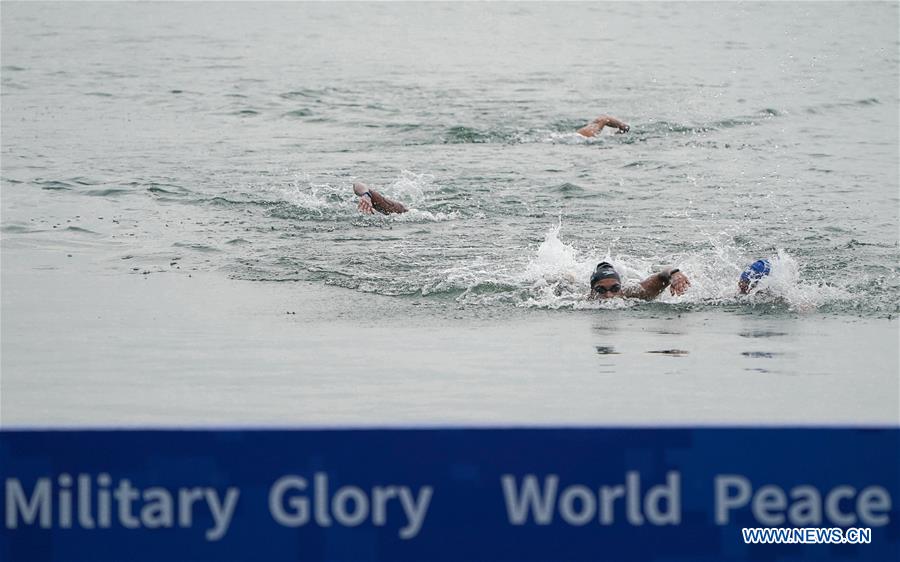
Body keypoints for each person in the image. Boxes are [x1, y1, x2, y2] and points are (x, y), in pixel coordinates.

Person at [588, 261, 691, 301]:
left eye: (615, 288)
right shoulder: (583, 302)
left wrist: (675, 274)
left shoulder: (636, 293)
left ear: (621, 287)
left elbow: (662, 275)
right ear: (592, 291)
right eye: (601, 290)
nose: (609, 295)